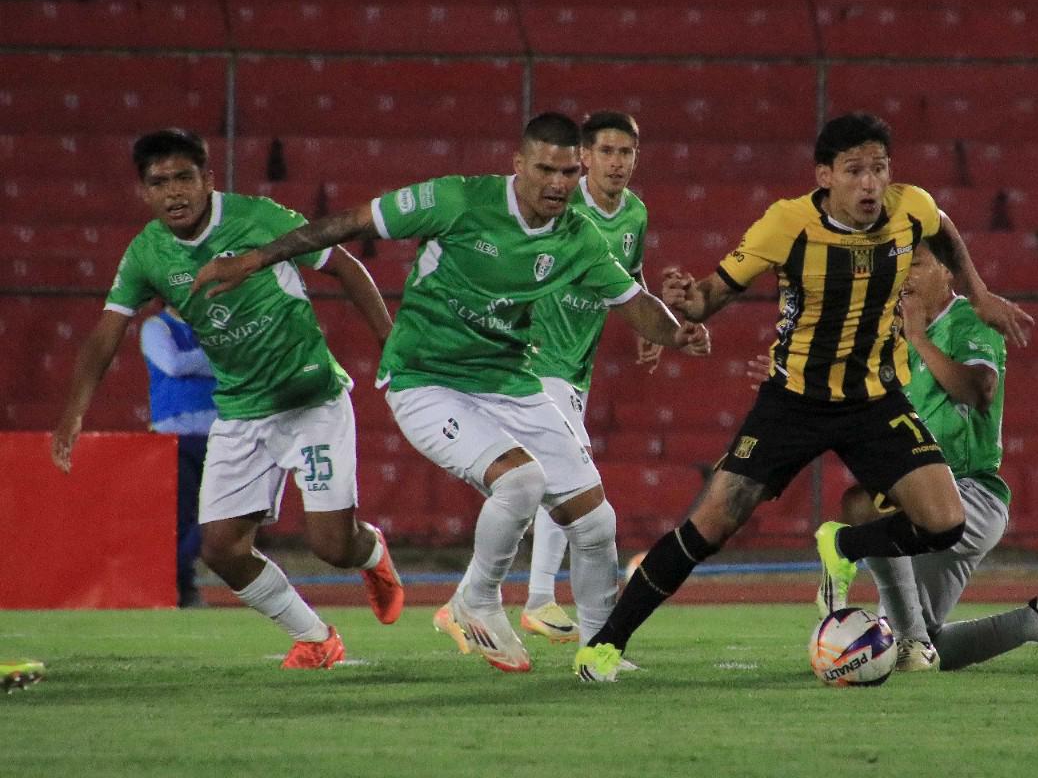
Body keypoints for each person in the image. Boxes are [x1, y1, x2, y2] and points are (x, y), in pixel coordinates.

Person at [190, 112, 711, 674]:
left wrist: (676, 332)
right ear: (518, 165)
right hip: (425, 379)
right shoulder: (459, 200)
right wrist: (255, 258)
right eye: (545, 169)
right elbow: (351, 222)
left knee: (596, 522)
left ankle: (598, 651)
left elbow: (632, 302)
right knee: (523, 480)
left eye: (566, 171)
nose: (558, 183)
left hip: (509, 379)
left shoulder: (576, 236)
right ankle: (476, 599)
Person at [573, 111, 1034, 681]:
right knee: (711, 524)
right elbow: (711, 295)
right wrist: (684, 307)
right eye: (855, 170)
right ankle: (604, 644)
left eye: (880, 169)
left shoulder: (908, 205)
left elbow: (943, 226)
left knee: (945, 523)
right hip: (793, 400)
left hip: (873, 399)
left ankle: (843, 543)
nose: (871, 183)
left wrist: (980, 293)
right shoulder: (786, 225)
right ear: (825, 176)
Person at [51, 128, 404, 670]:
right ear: (144, 192)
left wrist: (388, 338)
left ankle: (372, 552)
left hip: (311, 401)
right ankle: (315, 637)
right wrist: (74, 410)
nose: (173, 192)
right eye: (158, 182)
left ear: (207, 179)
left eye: (183, 178)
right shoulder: (147, 252)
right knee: (221, 549)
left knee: (333, 546)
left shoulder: (258, 217)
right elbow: (107, 331)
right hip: (240, 412)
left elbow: (344, 266)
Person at [749, 239, 1038, 672]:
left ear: (948, 272)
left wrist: (918, 337)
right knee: (920, 642)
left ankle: (892, 615)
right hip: (926, 500)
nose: (904, 275)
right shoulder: (891, 337)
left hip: (970, 496)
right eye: (900, 267)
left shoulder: (970, 321)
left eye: (918, 264)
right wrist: (790, 380)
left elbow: (979, 390)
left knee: (861, 506)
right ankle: (1037, 620)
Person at [516, 110, 660, 645]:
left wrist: (646, 324)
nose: (616, 163)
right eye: (606, 152)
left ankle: (473, 597)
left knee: (543, 482)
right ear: (584, 157)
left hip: (579, 366)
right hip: (536, 359)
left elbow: (632, 275)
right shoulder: (560, 203)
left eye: (626, 153)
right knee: (576, 481)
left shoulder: (634, 216)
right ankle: (538, 600)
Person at [140, 305, 217, 608]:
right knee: (182, 516)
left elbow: (238, 361)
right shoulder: (156, 327)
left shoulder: (213, 322)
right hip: (174, 436)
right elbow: (172, 364)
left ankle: (173, 571)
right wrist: (214, 358)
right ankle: (183, 583)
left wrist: (195, 363)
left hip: (218, 433)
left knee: (219, 512)